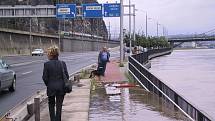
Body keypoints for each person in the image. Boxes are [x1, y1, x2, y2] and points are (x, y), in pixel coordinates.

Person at [42, 45, 69, 121]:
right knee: (59, 106)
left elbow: (45, 77)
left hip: (51, 87)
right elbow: (66, 76)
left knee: (51, 105)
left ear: (50, 54)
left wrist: (49, 84)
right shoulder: (62, 63)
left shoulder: (47, 64)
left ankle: (52, 119)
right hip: (61, 87)